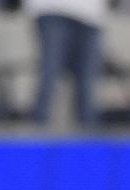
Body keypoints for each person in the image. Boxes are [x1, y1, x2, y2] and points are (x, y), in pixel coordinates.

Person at [30, 0, 104, 129]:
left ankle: (89, 139)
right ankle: (37, 134)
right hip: (52, 9)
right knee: (50, 73)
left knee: (87, 81)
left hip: (91, 15)